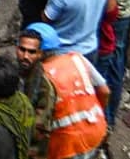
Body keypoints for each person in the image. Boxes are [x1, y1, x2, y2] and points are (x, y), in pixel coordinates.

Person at [24, 22, 108, 159]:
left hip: (67, 144)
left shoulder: (42, 76)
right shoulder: (77, 58)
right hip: (97, 131)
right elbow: (104, 91)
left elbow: (39, 121)